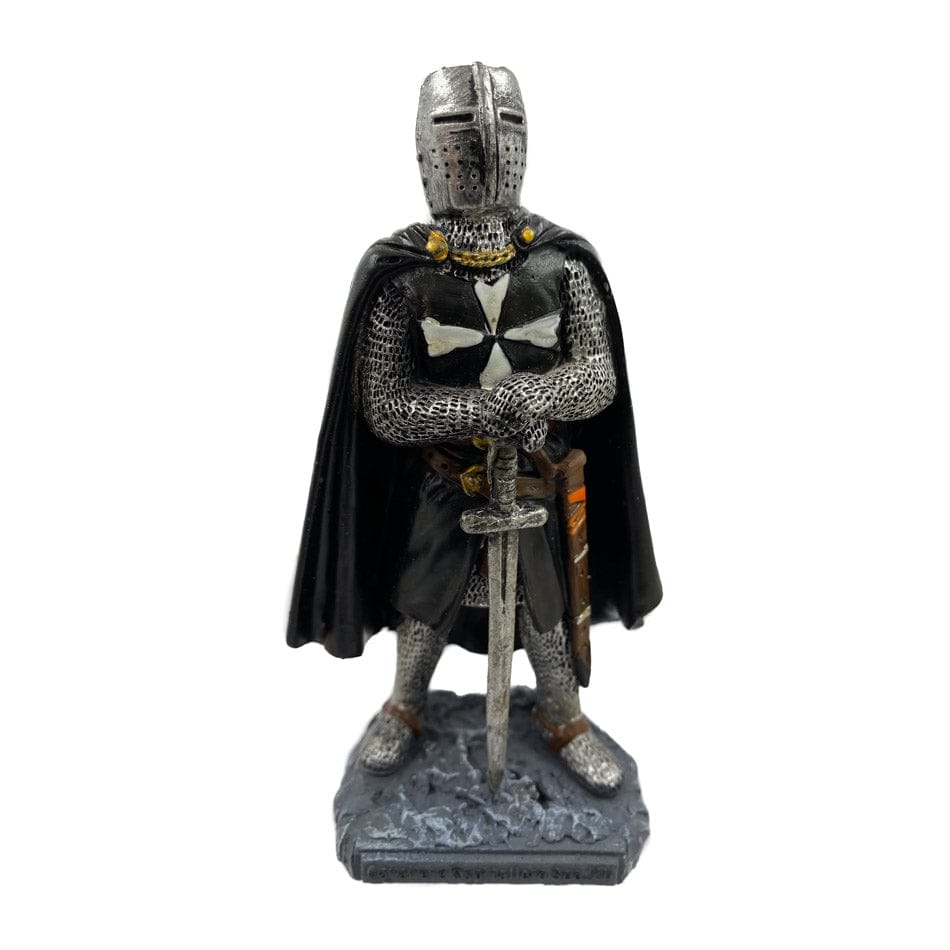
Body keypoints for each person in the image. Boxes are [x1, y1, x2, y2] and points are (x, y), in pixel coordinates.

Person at [287, 63, 662, 795]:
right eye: (458, 134)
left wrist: (538, 393)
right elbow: (387, 403)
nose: (483, 150)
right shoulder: (404, 273)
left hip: (535, 476)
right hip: (445, 483)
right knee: (424, 601)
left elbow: (597, 376)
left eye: (500, 129)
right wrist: (480, 411)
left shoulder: (559, 262)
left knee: (545, 608)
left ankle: (563, 715)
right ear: (430, 147)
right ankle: (404, 705)